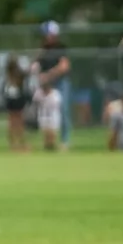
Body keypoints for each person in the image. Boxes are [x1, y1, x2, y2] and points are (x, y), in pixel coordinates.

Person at [32, 21, 71, 149]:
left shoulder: (61, 48)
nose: (46, 38)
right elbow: (36, 64)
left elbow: (64, 66)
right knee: (45, 113)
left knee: (63, 110)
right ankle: (48, 142)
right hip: (46, 85)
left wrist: (49, 75)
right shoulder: (42, 49)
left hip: (60, 82)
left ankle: (65, 141)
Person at [3, 54, 29, 152]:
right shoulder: (9, 77)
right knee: (14, 121)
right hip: (12, 99)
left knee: (18, 121)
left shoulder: (19, 76)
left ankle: (19, 143)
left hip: (17, 99)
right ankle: (14, 143)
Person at [35, 80, 63, 151]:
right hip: (43, 115)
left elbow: (57, 105)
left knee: (53, 131)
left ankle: (52, 145)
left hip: (53, 115)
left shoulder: (55, 94)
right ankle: (46, 145)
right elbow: (36, 102)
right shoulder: (39, 93)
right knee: (45, 131)